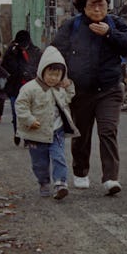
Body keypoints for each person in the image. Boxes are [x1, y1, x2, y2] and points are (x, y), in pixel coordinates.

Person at [52, 0, 127, 196]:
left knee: (108, 130)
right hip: (80, 90)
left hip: (109, 88)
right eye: (93, 5)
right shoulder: (72, 25)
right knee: (82, 132)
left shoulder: (116, 24)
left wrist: (110, 34)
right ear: (84, 6)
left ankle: (110, 178)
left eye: (102, 5)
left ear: (108, 6)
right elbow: (55, 52)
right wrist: (62, 75)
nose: (98, 9)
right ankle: (80, 171)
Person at [15, 46, 80, 199]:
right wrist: (29, 120)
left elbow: (68, 98)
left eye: (58, 75)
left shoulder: (59, 89)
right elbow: (20, 105)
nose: (53, 78)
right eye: (50, 74)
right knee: (39, 163)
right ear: (42, 71)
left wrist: (69, 85)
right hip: (36, 134)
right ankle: (43, 182)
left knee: (59, 157)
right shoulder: (30, 88)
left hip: (56, 131)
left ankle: (60, 184)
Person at [2, 30, 42, 146]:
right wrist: (10, 50)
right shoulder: (13, 53)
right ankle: (18, 132)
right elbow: (6, 66)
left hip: (32, 87)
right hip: (16, 88)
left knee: (30, 113)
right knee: (16, 113)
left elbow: (40, 67)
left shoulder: (36, 52)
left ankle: (28, 137)